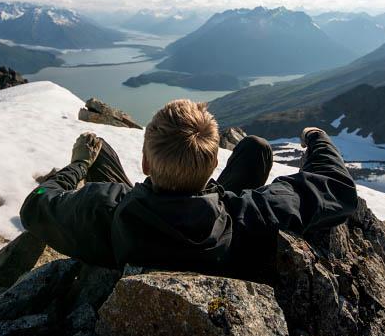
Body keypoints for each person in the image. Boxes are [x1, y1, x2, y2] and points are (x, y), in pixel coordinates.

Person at [20, 99, 356, 276]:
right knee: (256, 147)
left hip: (134, 224)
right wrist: (316, 138)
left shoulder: (103, 208)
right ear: (213, 166)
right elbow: (334, 187)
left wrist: (79, 164)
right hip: (213, 219)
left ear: (145, 163)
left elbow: (36, 202)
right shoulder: (251, 215)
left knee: (98, 147)